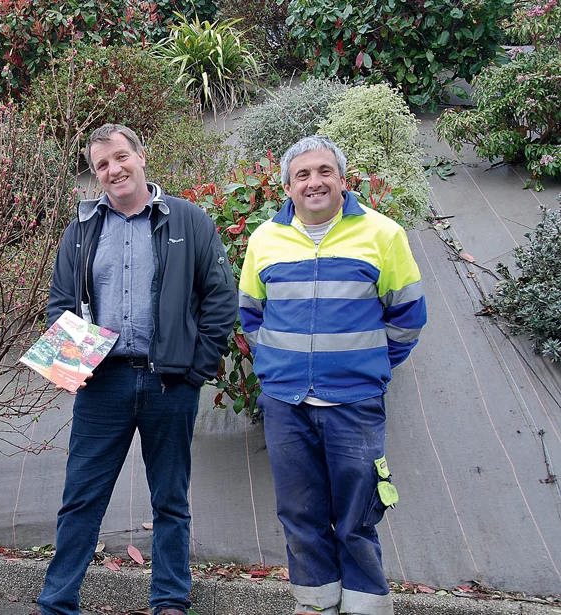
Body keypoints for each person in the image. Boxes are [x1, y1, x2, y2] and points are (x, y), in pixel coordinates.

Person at [36, 124, 238, 615]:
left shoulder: (188, 219)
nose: (113, 170)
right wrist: (69, 368)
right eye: (102, 164)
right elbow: (61, 304)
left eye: (121, 157)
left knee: (170, 500)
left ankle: (169, 600)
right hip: (102, 383)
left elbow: (220, 297)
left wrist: (197, 368)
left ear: (141, 157)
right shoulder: (82, 228)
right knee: (81, 499)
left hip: (169, 382)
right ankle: (58, 603)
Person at [239, 135, 427, 615]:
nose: (314, 182)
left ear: (343, 180)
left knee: (357, 516)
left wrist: (365, 366)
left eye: (325, 171)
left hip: (354, 404)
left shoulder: (384, 235)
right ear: (286, 187)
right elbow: (252, 317)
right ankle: (314, 603)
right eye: (302, 175)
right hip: (285, 405)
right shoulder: (264, 240)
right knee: (299, 515)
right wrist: (283, 368)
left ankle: (366, 606)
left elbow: (407, 317)